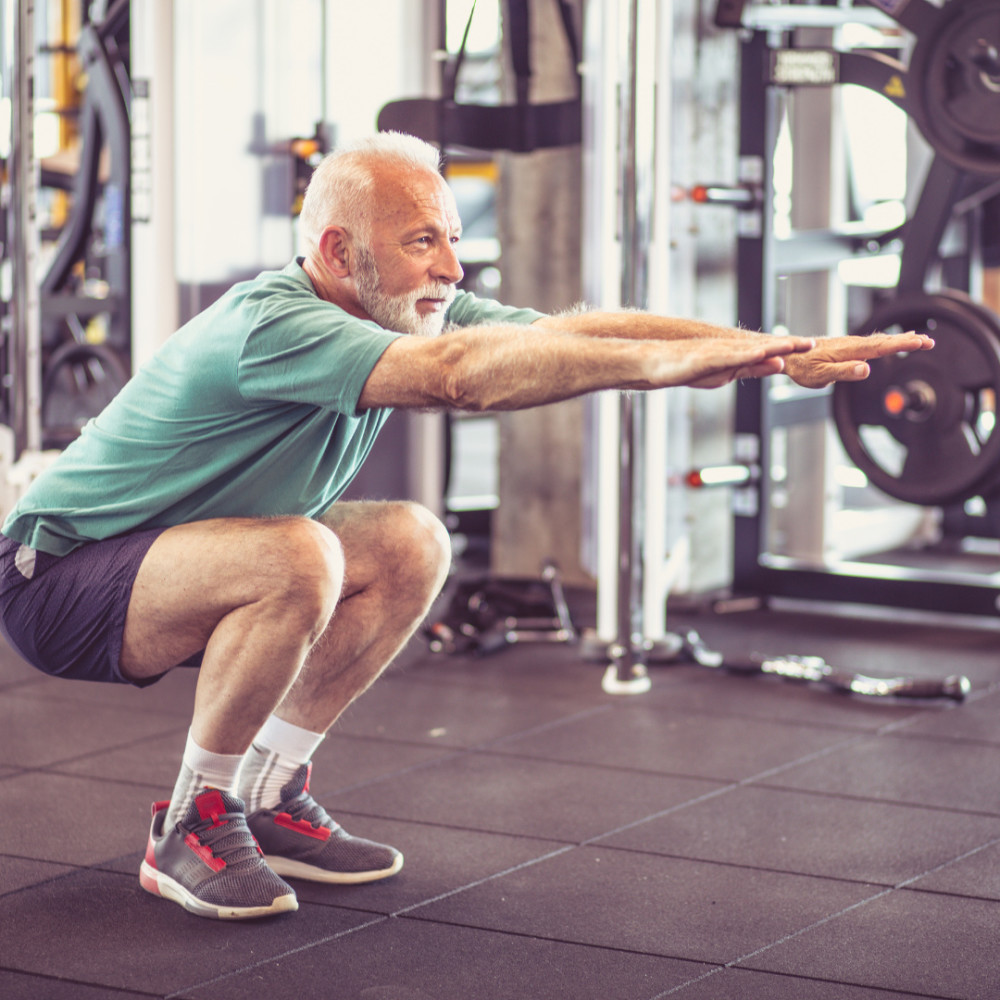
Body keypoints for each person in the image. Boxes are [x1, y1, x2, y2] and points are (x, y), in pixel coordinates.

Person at [0, 131, 932, 921]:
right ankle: (190, 824)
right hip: (61, 578)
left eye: (449, 239)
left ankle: (268, 792)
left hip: (177, 564)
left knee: (411, 539)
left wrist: (774, 352)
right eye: (420, 243)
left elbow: (573, 336)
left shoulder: (413, 305)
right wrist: (668, 368)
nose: (451, 266)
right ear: (337, 252)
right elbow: (463, 380)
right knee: (300, 553)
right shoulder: (272, 324)